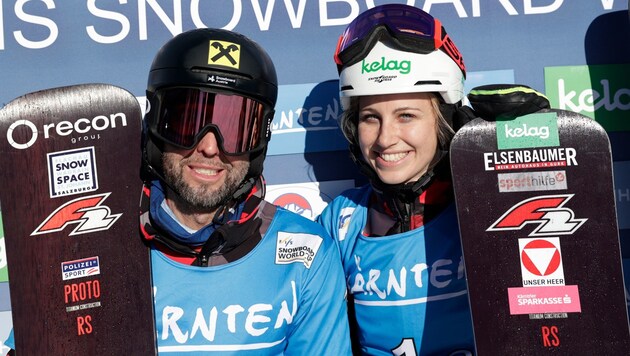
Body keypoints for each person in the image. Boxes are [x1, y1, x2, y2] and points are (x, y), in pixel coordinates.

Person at [4, 28, 351, 355]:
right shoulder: (88, 242)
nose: (210, 148)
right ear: (155, 123)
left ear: (261, 139)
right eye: (188, 122)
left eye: (236, 127)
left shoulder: (305, 253)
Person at [317, 4, 475, 355]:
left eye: (406, 115)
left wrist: (533, 163)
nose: (386, 138)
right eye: (370, 118)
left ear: (444, 121)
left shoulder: (482, 204)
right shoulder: (341, 222)